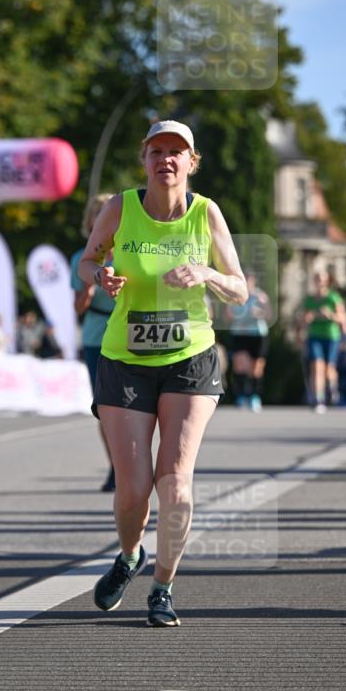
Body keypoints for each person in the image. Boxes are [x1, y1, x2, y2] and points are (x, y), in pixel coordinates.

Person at [78, 119, 247, 627]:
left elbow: (239, 288)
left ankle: (163, 587)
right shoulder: (120, 208)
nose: (166, 160)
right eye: (157, 151)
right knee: (133, 490)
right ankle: (131, 556)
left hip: (190, 357)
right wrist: (100, 275)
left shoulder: (205, 213)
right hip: (124, 359)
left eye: (177, 152)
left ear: (191, 162)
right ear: (144, 158)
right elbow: (88, 262)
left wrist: (209, 273)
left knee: (175, 483)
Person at [70, 193, 116, 491]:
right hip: (96, 337)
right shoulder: (80, 259)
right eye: (97, 216)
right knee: (105, 406)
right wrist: (87, 290)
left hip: (130, 333)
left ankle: (135, 464)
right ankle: (116, 465)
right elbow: (77, 309)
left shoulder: (130, 251)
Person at [299, 269, 346, 412]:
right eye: (317, 278)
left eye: (322, 278)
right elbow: (303, 320)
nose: (319, 281)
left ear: (327, 281)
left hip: (331, 337)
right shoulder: (310, 299)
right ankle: (318, 399)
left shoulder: (333, 298)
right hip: (314, 336)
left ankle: (333, 387)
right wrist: (307, 320)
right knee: (316, 367)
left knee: (328, 369)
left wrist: (330, 315)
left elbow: (343, 319)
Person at [227, 271, 271, 412]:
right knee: (239, 365)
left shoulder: (260, 296)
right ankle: (241, 396)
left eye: (249, 279)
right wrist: (232, 313)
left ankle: (254, 396)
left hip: (257, 334)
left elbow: (269, 315)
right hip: (240, 334)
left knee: (256, 368)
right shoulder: (235, 296)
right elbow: (227, 317)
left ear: (254, 281)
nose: (246, 282)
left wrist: (260, 312)